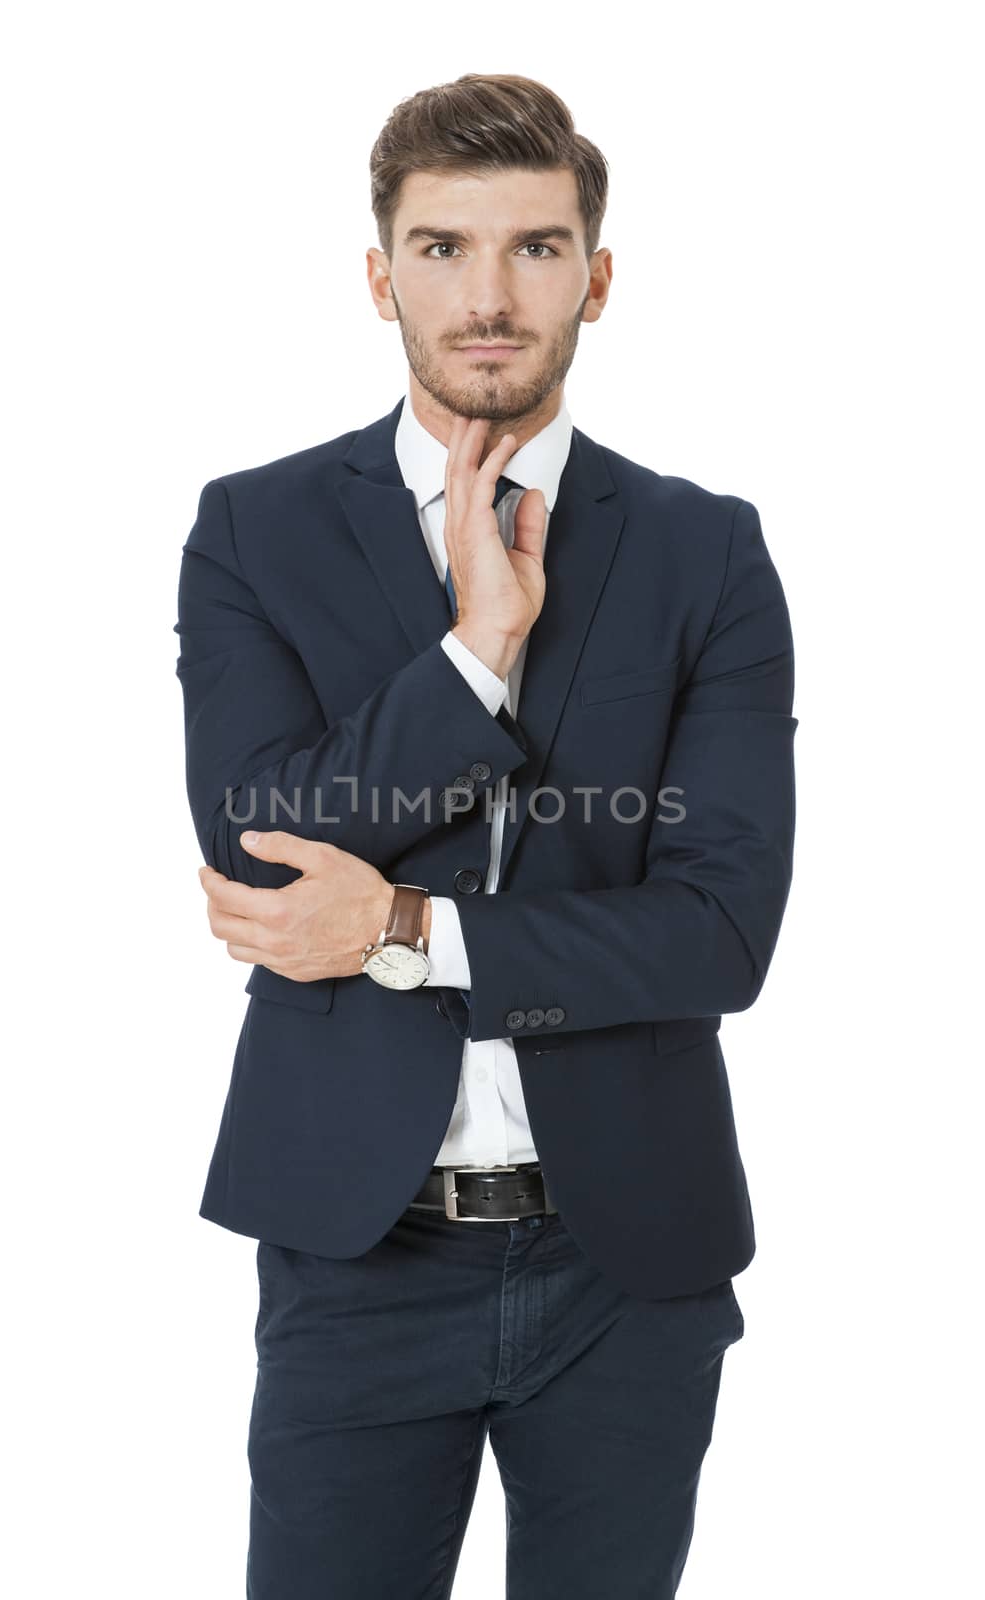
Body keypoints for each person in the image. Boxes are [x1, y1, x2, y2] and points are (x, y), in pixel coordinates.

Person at [173, 71, 797, 1600]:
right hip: (357, 1251)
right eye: (444, 248)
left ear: (599, 275)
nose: (491, 295)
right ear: (382, 277)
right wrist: (472, 658)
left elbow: (718, 933)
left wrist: (399, 929)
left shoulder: (705, 549)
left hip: (628, 1262)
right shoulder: (254, 529)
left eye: (535, 246)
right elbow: (266, 852)